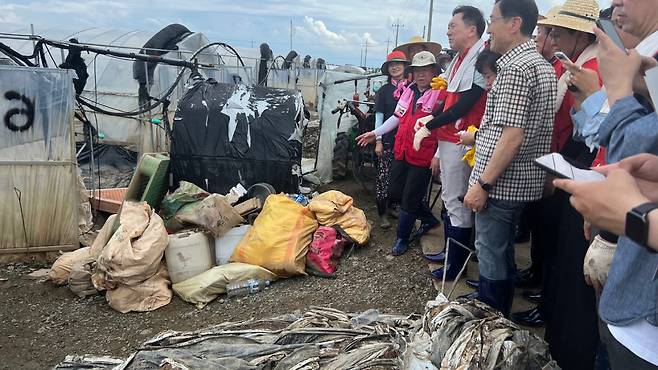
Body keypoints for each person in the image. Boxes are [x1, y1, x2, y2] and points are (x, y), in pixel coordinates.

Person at [462, 0, 557, 317]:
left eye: (492, 20)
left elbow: (512, 136)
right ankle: (496, 308)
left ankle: (490, 318)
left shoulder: (515, 69)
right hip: (521, 181)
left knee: (490, 252)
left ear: (514, 23)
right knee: (500, 250)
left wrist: (482, 184)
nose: (490, 27)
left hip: (500, 184)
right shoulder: (540, 64)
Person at [411, 5, 488, 281]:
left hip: (462, 137)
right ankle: (449, 254)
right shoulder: (460, 58)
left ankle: (456, 265)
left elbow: (468, 101)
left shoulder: (480, 57)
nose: (448, 30)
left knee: (456, 202)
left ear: (471, 29)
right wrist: (432, 116)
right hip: (450, 136)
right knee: (449, 198)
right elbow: (451, 96)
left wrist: (431, 124)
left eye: (453, 25)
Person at [355, 51, 443, 257]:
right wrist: (375, 133)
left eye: (426, 70)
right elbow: (396, 118)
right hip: (401, 150)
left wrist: (438, 155)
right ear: (412, 73)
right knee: (394, 192)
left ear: (433, 72)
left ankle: (402, 238)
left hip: (423, 154)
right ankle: (429, 219)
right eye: (417, 71)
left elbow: (445, 128)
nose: (421, 75)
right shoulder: (409, 91)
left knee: (410, 199)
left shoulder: (440, 95)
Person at [374, 51, 410, 229]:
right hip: (388, 140)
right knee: (384, 178)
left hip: (406, 141)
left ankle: (395, 206)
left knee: (400, 177)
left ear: (405, 67)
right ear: (388, 69)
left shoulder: (411, 89)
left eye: (399, 64)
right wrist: (378, 140)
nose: (395, 67)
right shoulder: (383, 91)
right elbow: (379, 117)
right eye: (391, 65)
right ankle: (382, 213)